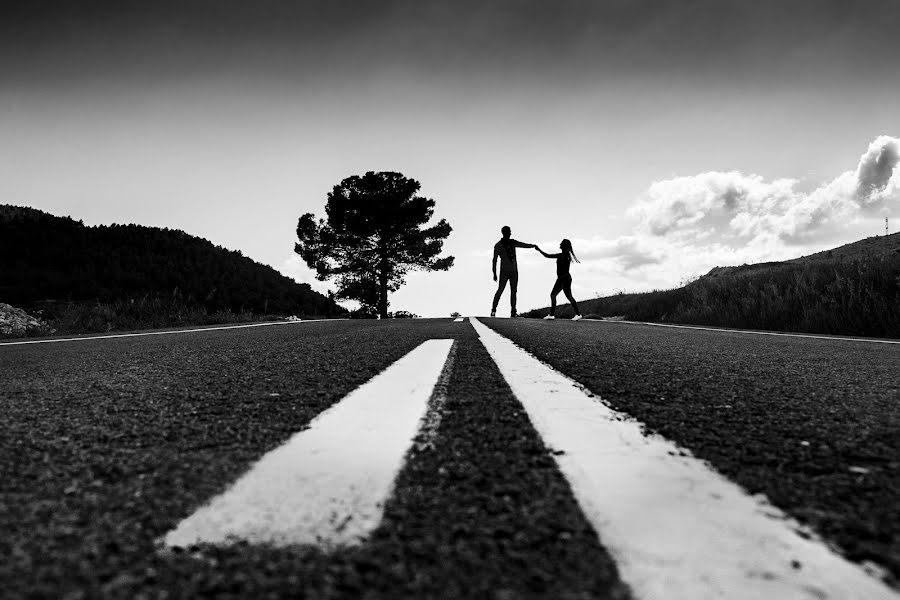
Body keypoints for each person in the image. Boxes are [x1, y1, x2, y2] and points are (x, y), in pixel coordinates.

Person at [491, 225, 536, 317]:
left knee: (514, 291)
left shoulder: (513, 242)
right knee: (500, 290)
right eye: (509, 232)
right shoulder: (498, 245)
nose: (510, 233)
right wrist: (494, 273)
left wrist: (532, 246)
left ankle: (513, 311)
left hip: (514, 271)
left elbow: (523, 245)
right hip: (504, 271)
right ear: (505, 233)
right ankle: (493, 310)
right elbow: (494, 260)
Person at [535, 239, 583, 320]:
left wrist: (539, 249)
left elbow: (547, 255)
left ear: (564, 246)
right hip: (565, 278)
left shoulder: (562, 255)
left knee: (555, 295)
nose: (560, 244)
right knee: (565, 296)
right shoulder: (566, 255)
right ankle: (577, 314)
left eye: (561, 244)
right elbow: (548, 256)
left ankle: (552, 314)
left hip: (563, 278)